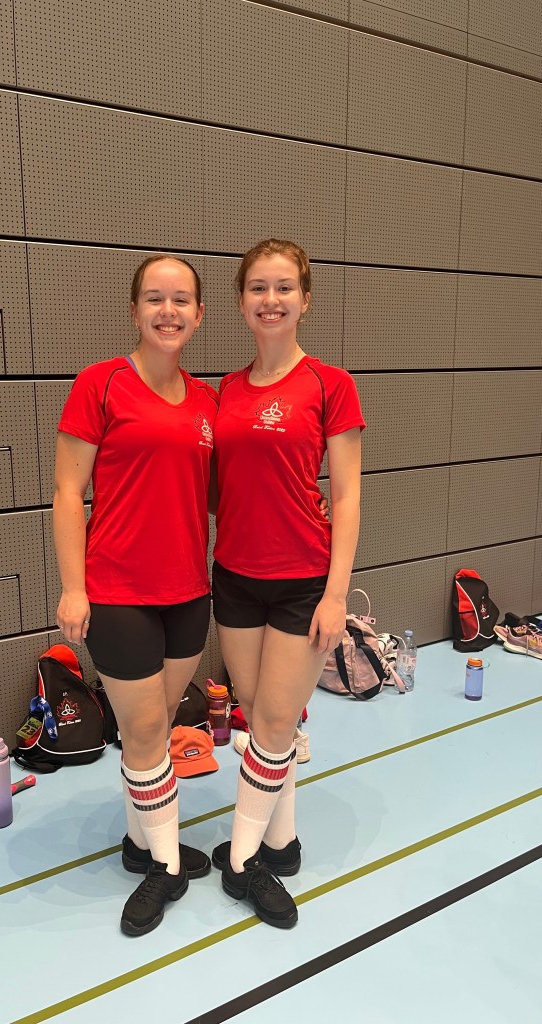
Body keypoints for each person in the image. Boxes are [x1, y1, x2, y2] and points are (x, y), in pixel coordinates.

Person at [52, 255, 218, 937]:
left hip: (189, 594)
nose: (168, 311)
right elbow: (67, 493)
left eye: (181, 300)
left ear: (200, 315)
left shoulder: (209, 401)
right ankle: (165, 865)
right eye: (155, 298)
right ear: (134, 310)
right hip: (117, 592)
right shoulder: (101, 384)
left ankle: (139, 841)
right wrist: (72, 586)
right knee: (147, 731)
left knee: (154, 724)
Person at [211, 238, 365, 928]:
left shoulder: (331, 384)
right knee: (260, 714)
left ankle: (242, 861)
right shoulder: (228, 390)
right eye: (257, 289)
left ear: (305, 300)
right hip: (235, 578)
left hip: (302, 581)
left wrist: (335, 594)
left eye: (283, 288)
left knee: (273, 722)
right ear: (242, 302)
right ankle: (284, 840)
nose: (270, 301)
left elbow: (351, 495)